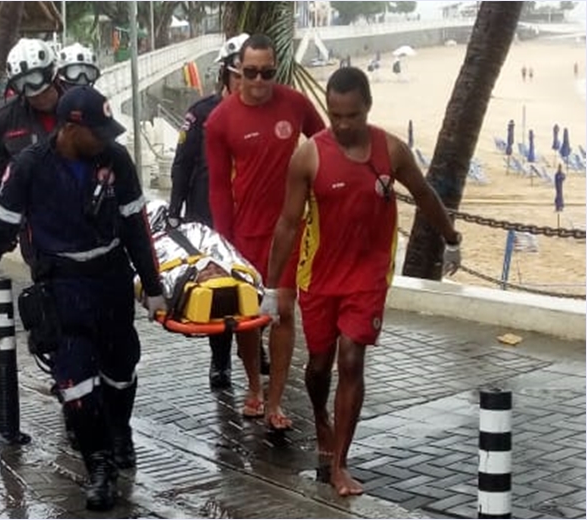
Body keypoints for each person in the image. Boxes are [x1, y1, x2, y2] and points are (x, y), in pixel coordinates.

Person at [0, 86, 166, 511]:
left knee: (120, 370)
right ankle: (100, 468)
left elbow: (136, 227)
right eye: (98, 131)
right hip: (62, 285)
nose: (105, 139)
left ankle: (119, 432)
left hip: (111, 278)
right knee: (75, 385)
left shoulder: (115, 160)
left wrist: (154, 287)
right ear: (71, 127)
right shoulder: (30, 166)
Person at [264, 67, 462, 496]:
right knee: (318, 367)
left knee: (351, 361)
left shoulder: (391, 150)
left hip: (368, 276)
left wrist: (451, 239)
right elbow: (286, 223)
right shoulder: (309, 156)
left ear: (367, 109)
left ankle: (339, 464)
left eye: (350, 115)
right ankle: (321, 419)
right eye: (334, 114)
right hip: (318, 276)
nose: (341, 124)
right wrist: (269, 286)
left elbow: (425, 194)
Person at [205, 34, 325, 430]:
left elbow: (324, 142)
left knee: (283, 313)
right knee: (250, 316)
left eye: (267, 73)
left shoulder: (294, 103)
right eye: (251, 72)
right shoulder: (220, 120)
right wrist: (223, 247)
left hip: (289, 232)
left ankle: (275, 402)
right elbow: (219, 187)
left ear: (276, 70)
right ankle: (254, 388)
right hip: (245, 236)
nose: (258, 81)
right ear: (237, 70)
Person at [168, 33, 271, 389]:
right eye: (242, 73)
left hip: (252, 214)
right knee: (221, 288)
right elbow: (181, 165)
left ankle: (257, 345)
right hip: (208, 214)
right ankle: (220, 360)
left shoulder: (266, 115)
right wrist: (174, 211)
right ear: (227, 73)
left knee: (254, 280)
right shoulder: (200, 115)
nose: (249, 82)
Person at [0, 38, 61, 226]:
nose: (36, 95)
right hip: (32, 223)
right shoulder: (4, 117)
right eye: (25, 88)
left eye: (41, 87)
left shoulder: (80, 106)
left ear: (53, 75)